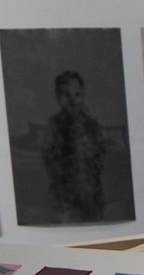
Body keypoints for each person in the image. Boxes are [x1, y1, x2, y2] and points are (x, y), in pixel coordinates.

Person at [43, 70, 107, 223]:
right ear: (58, 98)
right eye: (67, 95)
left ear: (83, 95)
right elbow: (48, 154)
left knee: (94, 222)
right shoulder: (55, 124)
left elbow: (101, 150)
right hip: (64, 191)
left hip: (91, 188)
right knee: (69, 223)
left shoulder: (91, 124)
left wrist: (95, 163)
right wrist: (59, 169)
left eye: (77, 94)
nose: (72, 99)